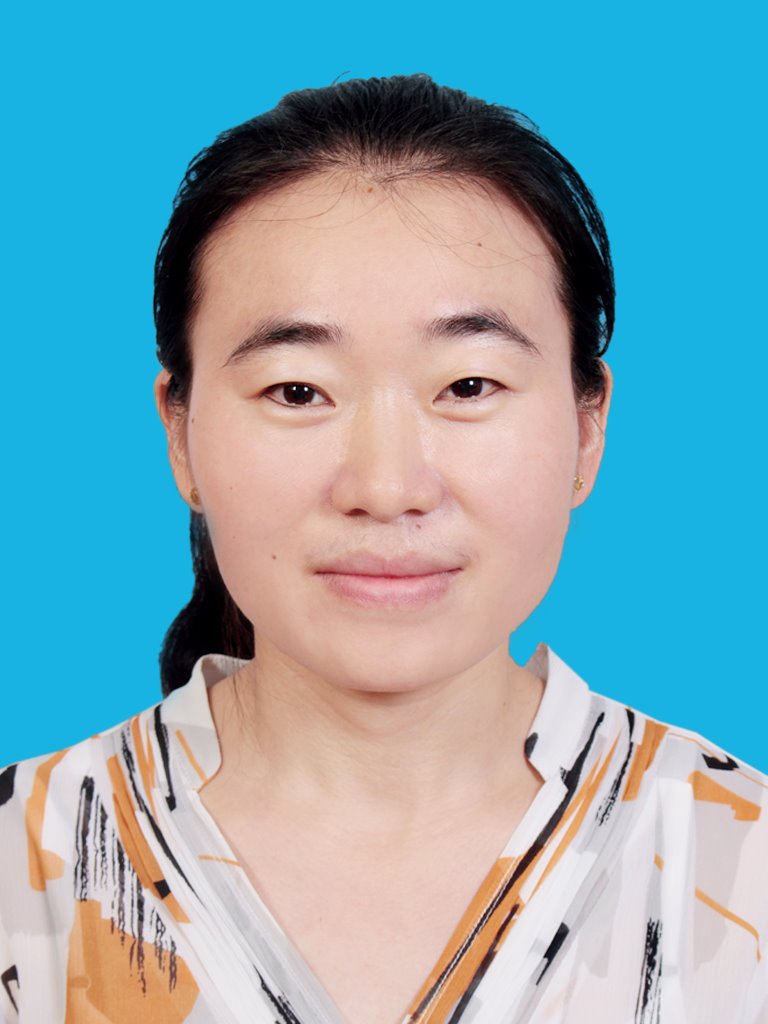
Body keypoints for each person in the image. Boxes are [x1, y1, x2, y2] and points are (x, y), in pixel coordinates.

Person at [0, 74, 765, 1024]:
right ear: (180, 433)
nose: (387, 486)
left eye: (469, 385)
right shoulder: (23, 864)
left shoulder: (738, 864)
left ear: (586, 427)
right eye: (297, 391)